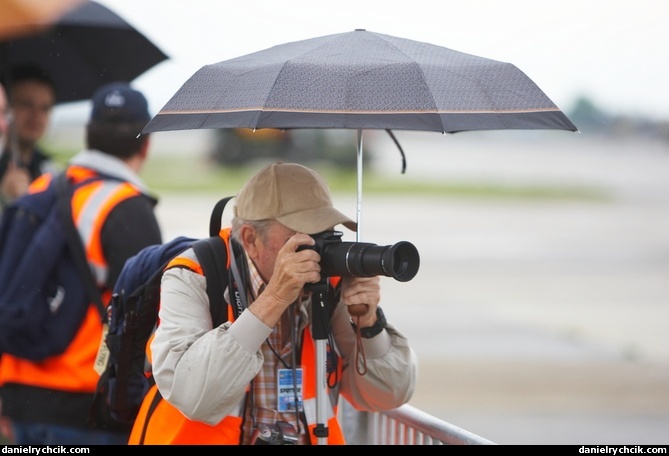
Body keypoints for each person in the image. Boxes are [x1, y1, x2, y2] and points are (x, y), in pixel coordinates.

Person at [129, 161, 418, 445]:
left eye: (326, 233)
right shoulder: (194, 276)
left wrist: (368, 325)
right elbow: (194, 396)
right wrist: (275, 298)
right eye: (303, 234)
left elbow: (388, 394)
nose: (317, 247)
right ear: (251, 238)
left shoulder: (329, 286)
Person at [0, 82, 163, 445]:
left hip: (19, 400)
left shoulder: (41, 189)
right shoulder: (126, 206)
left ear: (88, 135)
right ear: (145, 143)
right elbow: (149, 314)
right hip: (86, 408)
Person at [0, 65, 60, 214]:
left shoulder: (51, 171)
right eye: (27, 104)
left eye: (45, 108)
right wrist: (4, 198)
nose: (36, 115)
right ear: (6, 106)